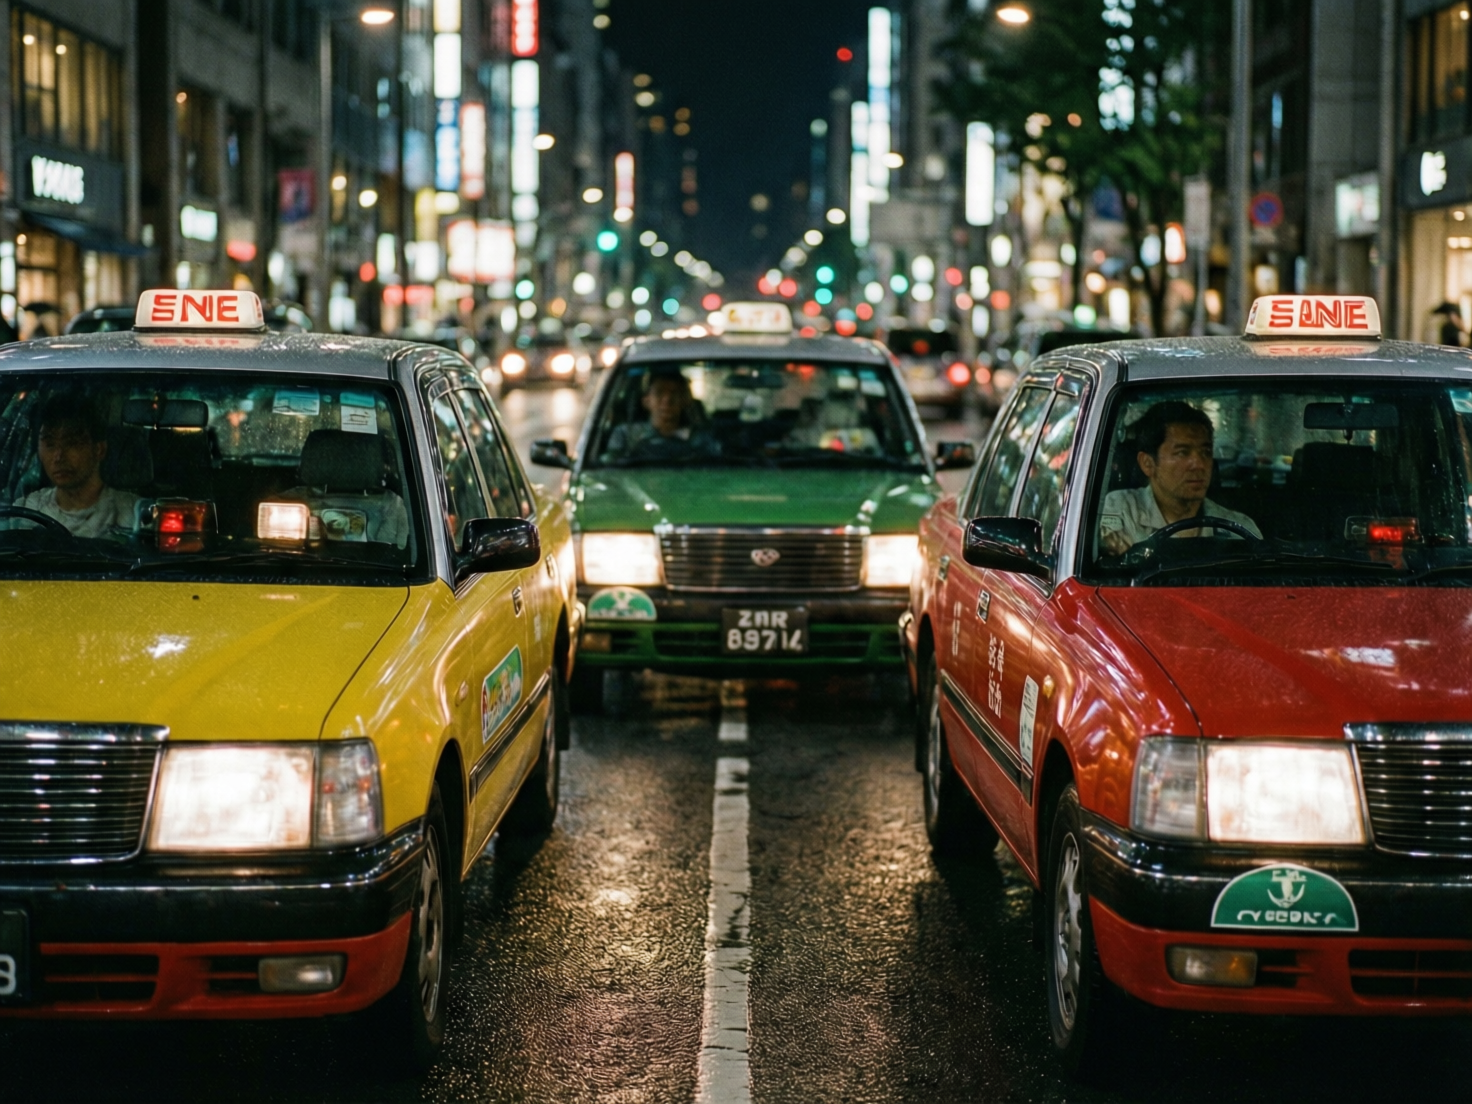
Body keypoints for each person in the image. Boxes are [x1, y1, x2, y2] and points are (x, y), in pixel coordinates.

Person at [1099, 400, 1260, 556]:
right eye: (1182, 452)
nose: (1199, 464)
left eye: (1205, 452)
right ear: (1148, 463)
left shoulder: (1238, 529)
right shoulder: (1120, 511)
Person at [14, 395, 137, 538]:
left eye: (71, 443)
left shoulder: (134, 514)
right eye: (50, 444)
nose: (58, 457)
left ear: (99, 450)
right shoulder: (27, 509)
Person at [604, 369, 719, 459]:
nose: (667, 400)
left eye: (674, 393)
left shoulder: (700, 439)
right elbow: (610, 468)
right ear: (646, 401)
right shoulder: (626, 435)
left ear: (685, 401)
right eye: (659, 393)